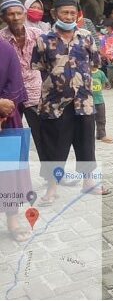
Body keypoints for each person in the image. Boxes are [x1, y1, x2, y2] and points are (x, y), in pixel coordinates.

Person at [32, 0, 110, 206]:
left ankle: (88, 183)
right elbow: (39, 68)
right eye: (64, 13)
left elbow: (94, 64)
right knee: (55, 146)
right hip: (54, 104)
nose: (68, 16)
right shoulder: (44, 39)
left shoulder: (86, 37)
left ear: (77, 14)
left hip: (83, 102)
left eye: (72, 13)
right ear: (55, 14)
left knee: (86, 144)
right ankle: (52, 189)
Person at [0, 0, 45, 172]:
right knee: (9, 134)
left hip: (35, 91)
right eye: (11, 14)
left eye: (19, 13)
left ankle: (50, 175)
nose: (16, 17)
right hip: (9, 96)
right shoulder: (1, 39)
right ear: (3, 17)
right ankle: (11, 175)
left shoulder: (37, 34)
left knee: (43, 135)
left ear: (25, 15)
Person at [0, 42, 31, 242]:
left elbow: (15, 84)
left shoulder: (5, 49)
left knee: (8, 172)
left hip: (5, 119)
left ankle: (12, 220)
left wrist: (3, 110)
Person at [90, 64, 113, 144]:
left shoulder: (100, 73)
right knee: (89, 120)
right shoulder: (87, 73)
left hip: (99, 100)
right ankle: (89, 136)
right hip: (89, 101)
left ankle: (101, 135)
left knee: (101, 119)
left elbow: (104, 83)